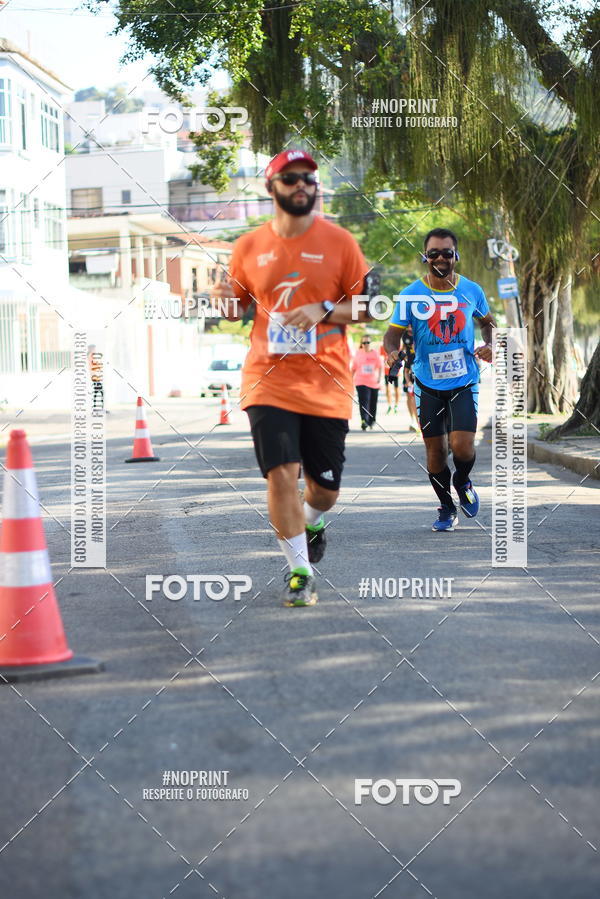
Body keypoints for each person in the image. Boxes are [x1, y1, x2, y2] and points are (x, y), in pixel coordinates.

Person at [218, 149, 374, 606]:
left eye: (308, 178)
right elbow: (234, 310)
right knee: (281, 474)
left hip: (327, 383)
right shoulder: (248, 247)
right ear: (271, 187)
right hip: (268, 378)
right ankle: (299, 571)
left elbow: (366, 307)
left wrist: (324, 309)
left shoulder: (341, 242)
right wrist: (221, 298)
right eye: (290, 178)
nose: (302, 185)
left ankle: (313, 519)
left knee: (324, 490)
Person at [384, 228, 495, 532]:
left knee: (462, 446)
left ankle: (462, 480)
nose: (441, 258)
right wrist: (392, 352)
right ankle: (446, 507)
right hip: (426, 383)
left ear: (456, 256)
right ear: (425, 257)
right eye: (434, 253)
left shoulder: (471, 290)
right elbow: (391, 333)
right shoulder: (410, 295)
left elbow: (488, 324)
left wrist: (491, 344)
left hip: (465, 380)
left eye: (447, 252)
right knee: (435, 453)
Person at [352, 336, 383, 429]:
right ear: (361, 344)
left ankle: (371, 420)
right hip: (361, 381)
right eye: (364, 343)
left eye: (368, 342)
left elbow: (380, 366)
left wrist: (379, 378)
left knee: (373, 402)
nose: (366, 345)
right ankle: (364, 421)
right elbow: (353, 368)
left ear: (370, 343)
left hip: (373, 382)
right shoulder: (358, 353)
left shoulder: (375, 353)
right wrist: (350, 379)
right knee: (364, 401)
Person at [400, 327, 419, 431]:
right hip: (409, 370)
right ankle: (413, 420)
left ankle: (419, 421)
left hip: (419, 374)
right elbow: (402, 348)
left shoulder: (419, 332)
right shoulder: (404, 335)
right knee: (410, 396)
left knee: (417, 398)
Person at [380, 342, 399, 414]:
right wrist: (385, 363)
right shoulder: (382, 347)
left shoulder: (396, 346)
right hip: (386, 372)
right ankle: (389, 405)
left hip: (395, 371)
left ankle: (396, 405)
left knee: (396, 388)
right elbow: (381, 358)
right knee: (387, 388)